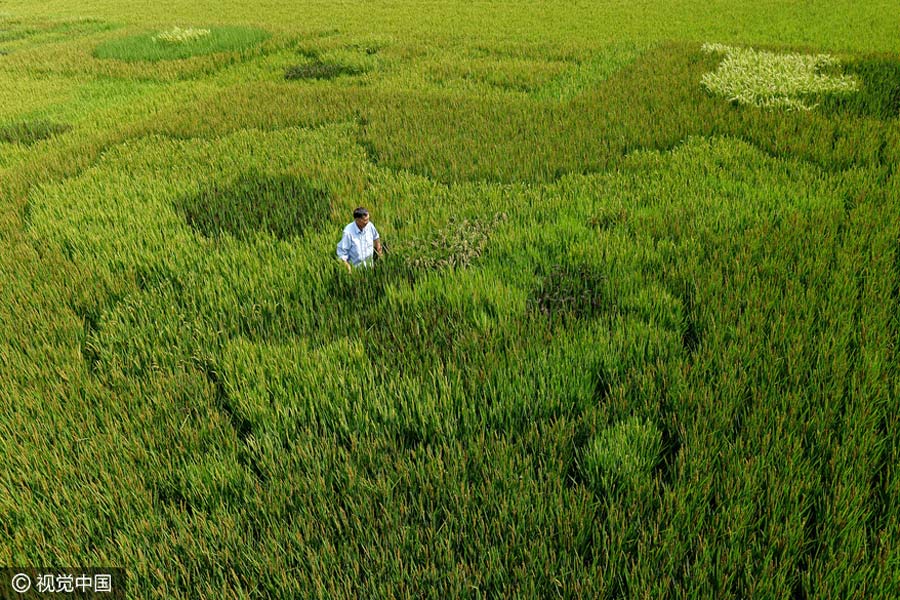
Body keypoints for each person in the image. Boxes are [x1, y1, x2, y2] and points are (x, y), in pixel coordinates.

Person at [336, 207, 382, 272]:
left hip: (370, 267)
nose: (367, 222)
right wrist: (347, 267)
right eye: (365, 220)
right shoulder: (348, 233)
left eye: (368, 219)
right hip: (356, 270)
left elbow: (376, 237)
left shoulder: (369, 225)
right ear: (357, 220)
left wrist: (379, 250)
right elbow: (342, 253)